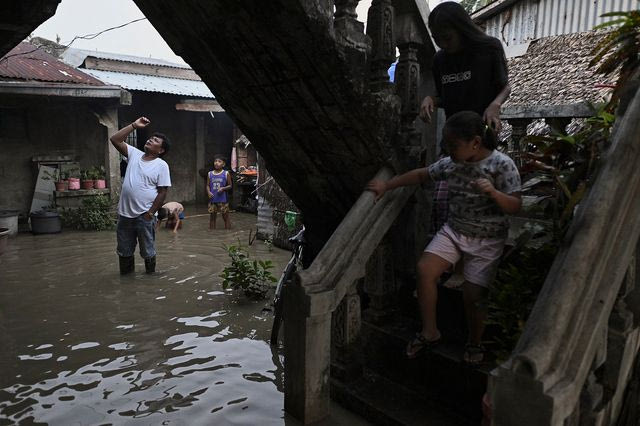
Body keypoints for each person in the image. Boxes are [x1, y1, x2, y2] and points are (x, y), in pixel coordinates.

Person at [367, 111, 521, 364]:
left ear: (475, 142)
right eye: (447, 145)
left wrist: (493, 193)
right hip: (455, 230)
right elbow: (420, 175)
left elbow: (516, 206)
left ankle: (474, 341)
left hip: (488, 238)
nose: (448, 150)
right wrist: (387, 185)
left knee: (473, 296)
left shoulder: (502, 164)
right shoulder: (451, 164)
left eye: (453, 145)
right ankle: (430, 331)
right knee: (425, 269)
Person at [110, 117, 171, 274]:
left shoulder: (161, 165)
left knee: (148, 251)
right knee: (124, 251)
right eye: (151, 138)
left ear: (161, 150)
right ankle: (127, 282)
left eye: (155, 140)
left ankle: (150, 281)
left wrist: (150, 213)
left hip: (145, 215)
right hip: (124, 215)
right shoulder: (134, 154)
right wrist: (133, 126)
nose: (151, 140)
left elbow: (163, 192)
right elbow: (115, 139)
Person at [207, 155, 232, 230]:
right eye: (215, 161)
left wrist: (223, 188)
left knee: (225, 217)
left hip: (223, 199)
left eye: (219, 161)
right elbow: (207, 185)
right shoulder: (210, 174)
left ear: (223, 164)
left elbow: (230, 185)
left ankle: (227, 234)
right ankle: (212, 234)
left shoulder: (226, 173)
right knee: (212, 218)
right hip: (212, 199)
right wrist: (208, 192)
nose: (216, 163)